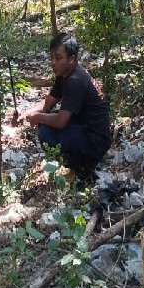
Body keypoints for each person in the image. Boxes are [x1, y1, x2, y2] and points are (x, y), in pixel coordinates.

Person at [24, 32, 112, 181]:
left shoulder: (75, 80)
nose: (53, 62)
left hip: (95, 140)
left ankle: (80, 165)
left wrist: (38, 117)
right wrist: (26, 113)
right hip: (85, 128)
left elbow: (60, 121)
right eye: (51, 57)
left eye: (58, 58)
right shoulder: (64, 74)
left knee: (46, 130)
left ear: (71, 59)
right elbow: (48, 102)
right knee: (48, 119)